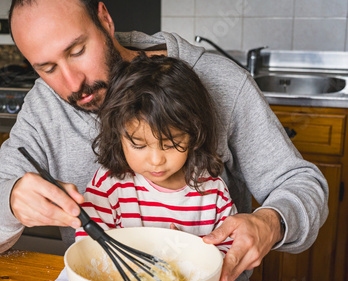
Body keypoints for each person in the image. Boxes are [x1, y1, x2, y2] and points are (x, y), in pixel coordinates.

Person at [0, 0, 328, 281]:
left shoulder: (220, 82)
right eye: (47, 67)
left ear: (104, 18)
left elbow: (302, 183)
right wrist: (9, 200)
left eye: (76, 50)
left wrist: (270, 222)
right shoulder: (45, 105)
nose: (73, 83)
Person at [75, 53, 236, 258]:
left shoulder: (212, 191)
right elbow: (88, 245)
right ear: (118, 137)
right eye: (138, 145)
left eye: (171, 144)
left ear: (194, 135)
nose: (156, 160)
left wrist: (190, 252)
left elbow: (230, 252)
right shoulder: (109, 185)